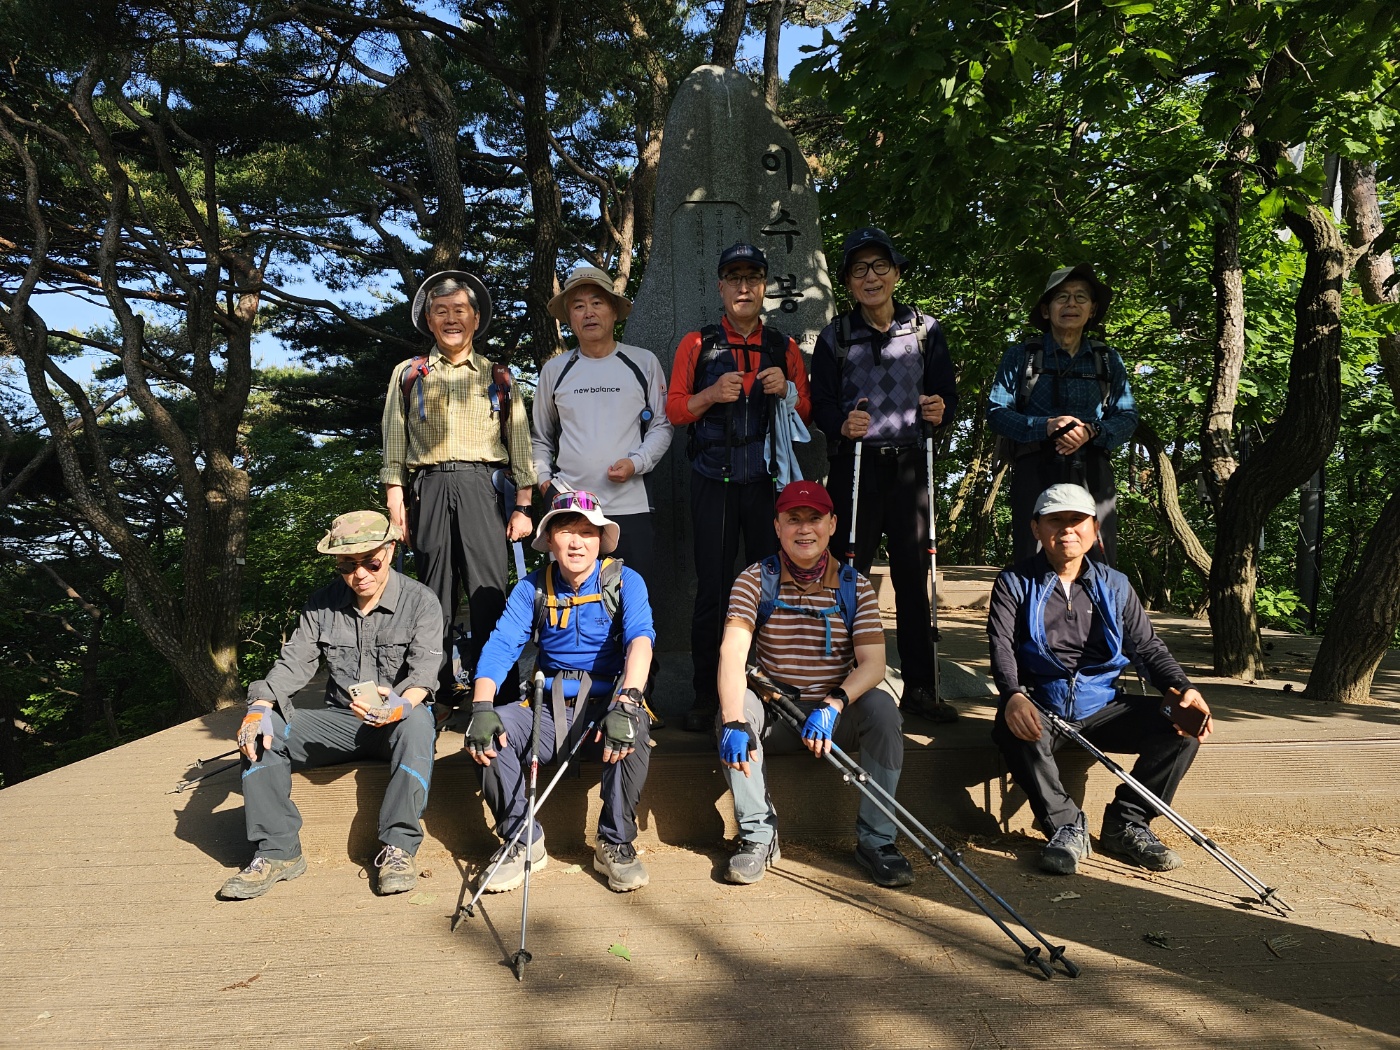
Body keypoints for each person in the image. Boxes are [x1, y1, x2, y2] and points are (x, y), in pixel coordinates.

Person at [986, 483, 1213, 876]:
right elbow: (1001, 645)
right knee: (1015, 729)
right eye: (1055, 520)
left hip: (1104, 705)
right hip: (1042, 704)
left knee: (1182, 732)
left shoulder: (1115, 584)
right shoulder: (1014, 581)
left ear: (1094, 528)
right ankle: (1066, 826)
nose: (1067, 529)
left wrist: (1184, 688)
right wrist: (1013, 695)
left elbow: (1147, 647)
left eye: (1077, 520)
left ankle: (1127, 823)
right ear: (1036, 528)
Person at [219, 511, 443, 899]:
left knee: (420, 724)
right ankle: (277, 852)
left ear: (390, 551)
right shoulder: (321, 605)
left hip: (398, 719)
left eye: (371, 562)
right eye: (347, 565)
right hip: (341, 720)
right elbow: (294, 663)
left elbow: (424, 675)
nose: (360, 575)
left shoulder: (421, 601)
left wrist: (399, 708)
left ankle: (398, 849)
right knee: (265, 729)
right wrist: (259, 706)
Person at [715, 481, 914, 888]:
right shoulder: (754, 580)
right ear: (777, 527)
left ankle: (877, 840)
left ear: (832, 524)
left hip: (833, 720)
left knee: (883, 710)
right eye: (793, 519)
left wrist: (834, 703)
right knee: (734, 710)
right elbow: (732, 653)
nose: (804, 529)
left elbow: (874, 664)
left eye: (814, 519)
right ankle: (758, 836)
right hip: (775, 716)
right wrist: (734, 720)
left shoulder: (855, 586)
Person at [465, 490, 655, 894]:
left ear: (600, 539)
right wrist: (481, 705)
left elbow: (641, 640)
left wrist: (628, 701)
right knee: (491, 731)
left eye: (587, 532)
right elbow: (502, 645)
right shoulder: (532, 588)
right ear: (549, 540)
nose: (576, 542)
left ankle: (614, 842)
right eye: (566, 531)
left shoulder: (626, 581)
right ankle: (522, 840)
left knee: (635, 725)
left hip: (607, 708)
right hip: (547, 711)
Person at [811, 226, 960, 724]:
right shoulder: (836, 335)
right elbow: (820, 403)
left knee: (913, 575)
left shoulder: (925, 330)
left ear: (896, 272)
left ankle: (920, 685)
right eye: (859, 269)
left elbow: (947, 395)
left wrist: (940, 410)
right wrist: (840, 423)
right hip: (854, 466)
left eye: (879, 266)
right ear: (848, 282)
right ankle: (840, 681)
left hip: (910, 465)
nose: (870, 277)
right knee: (845, 571)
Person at [666, 242, 812, 733]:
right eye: (735, 278)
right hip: (713, 480)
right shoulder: (698, 343)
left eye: (753, 277)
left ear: (764, 286)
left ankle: (769, 688)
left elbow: (808, 412)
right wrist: (710, 393)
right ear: (721, 287)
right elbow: (674, 410)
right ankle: (707, 692)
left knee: (771, 585)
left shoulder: (784, 348)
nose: (744, 286)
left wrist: (786, 391)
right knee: (713, 587)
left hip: (768, 485)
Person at [381, 270, 536, 717]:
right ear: (429, 320)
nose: (451, 319)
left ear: (476, 318)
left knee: (489, 593)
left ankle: (498, 694)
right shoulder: (409, 374)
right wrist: (395, 502)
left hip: (483, 486)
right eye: (441, 311)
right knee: (432, 595)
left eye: (460, 311)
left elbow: (519, 443)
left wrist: (523, 505)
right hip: (427, 487)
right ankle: (432, 693)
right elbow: (394, 442)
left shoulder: (498, 376)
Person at [987, 264, 1138, 566]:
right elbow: (996, 412)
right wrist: (1045, 426)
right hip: (1034, 466)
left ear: (1092, 310)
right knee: (1031, 557)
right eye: (1062, 297)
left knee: (1099, 560)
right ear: (1046, 310)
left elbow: (1127, 417)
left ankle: (1097, 600)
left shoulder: (1107, 360)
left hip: (1092, 467)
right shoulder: (1020, 356)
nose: (1071, 304)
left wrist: (1092, 431)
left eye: (1081, 297)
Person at [532, 265, 672, 586]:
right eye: (578, 306)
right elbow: (540, 437)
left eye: (597, 303)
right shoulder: (555, 370)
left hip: (631, 505)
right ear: (569, 318)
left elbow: (662, 425)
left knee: (632, 600)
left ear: (614, 310)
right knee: (571, 601)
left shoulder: (643, 362)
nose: (589, 313)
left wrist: (636, 463)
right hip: (569, 508)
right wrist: (544, 483)